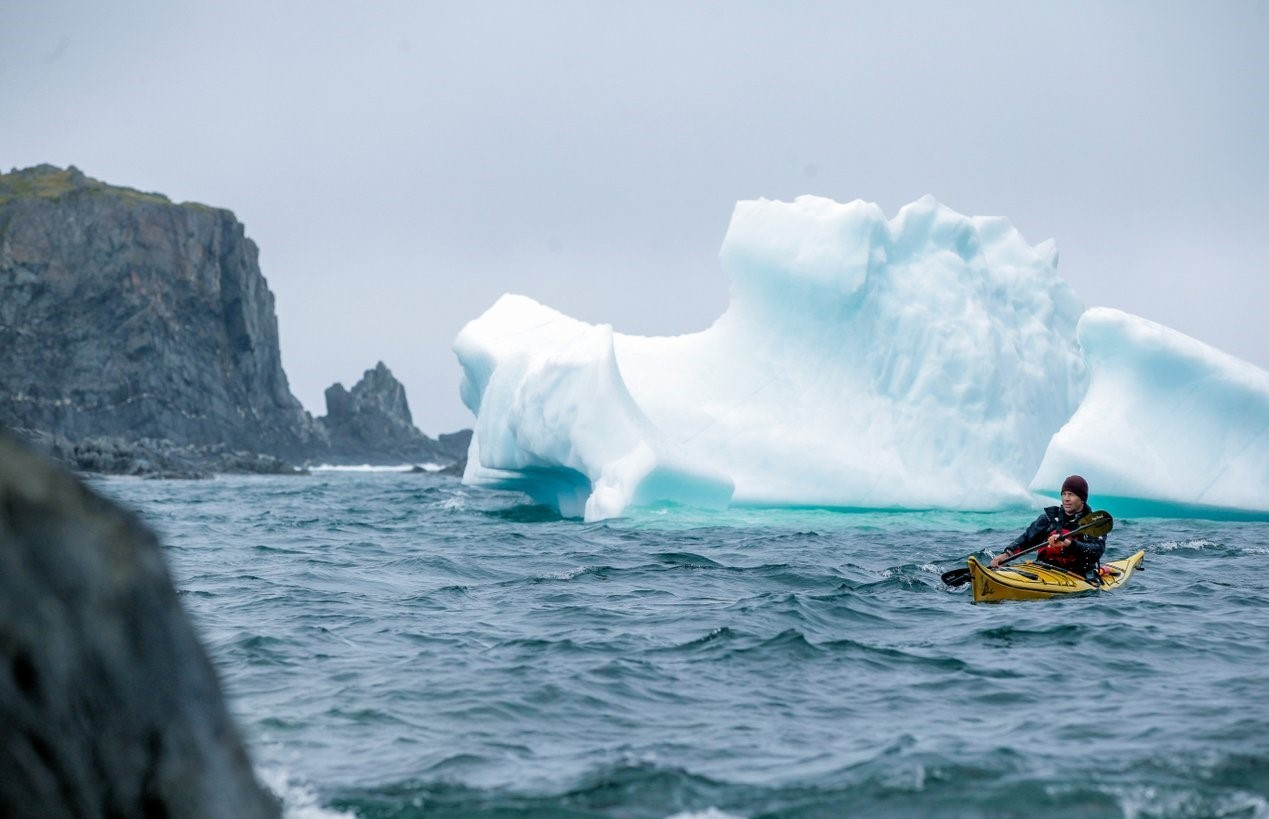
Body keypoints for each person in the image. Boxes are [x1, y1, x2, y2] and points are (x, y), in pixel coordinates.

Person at [990, 475, 1106, 578]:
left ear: (1082, 499)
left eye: (1071, 495)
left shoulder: (1093, 523)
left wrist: (1069, 544)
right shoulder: (1049, 519)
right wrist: (1006, 554)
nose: (1066, 499)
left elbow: (1096, 550)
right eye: (1064, 494)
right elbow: (1026, 539)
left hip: (1078, 575)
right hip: (1043, 569)